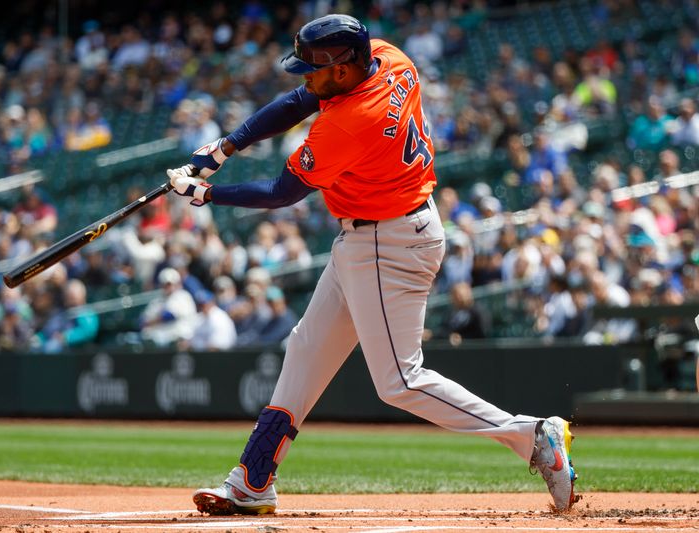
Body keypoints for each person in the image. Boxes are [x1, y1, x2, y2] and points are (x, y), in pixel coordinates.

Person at [166, 14, 577, 516]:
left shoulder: (350, 122)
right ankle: (253, 479)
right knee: (305, 348)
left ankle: (533, 436)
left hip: (389, 242)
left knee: (400, 382)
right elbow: (300, 100)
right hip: (379, 232)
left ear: (342, 69)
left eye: (313, 68)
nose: (304, 76)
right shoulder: (386, 56)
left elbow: (281, 193)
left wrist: (207, 192)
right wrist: (226, 146)